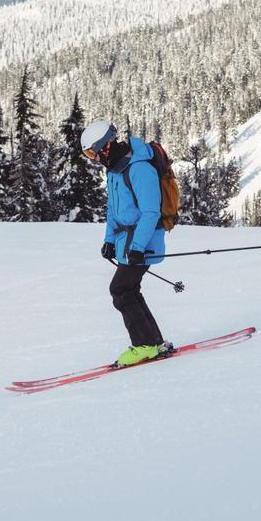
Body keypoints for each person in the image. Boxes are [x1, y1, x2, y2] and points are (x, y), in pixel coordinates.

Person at [81, 120, 174, 367]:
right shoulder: (114, 170)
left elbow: (151, 212)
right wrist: (109, 240)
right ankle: (154, 342)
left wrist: (137, 248)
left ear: (106, 145)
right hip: (127, 243)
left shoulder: (139, 168)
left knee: (120, 290)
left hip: (143, 242)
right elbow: (113, 210)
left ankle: (144, 346)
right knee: (129, 290)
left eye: (94, 152)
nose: (94, 158)